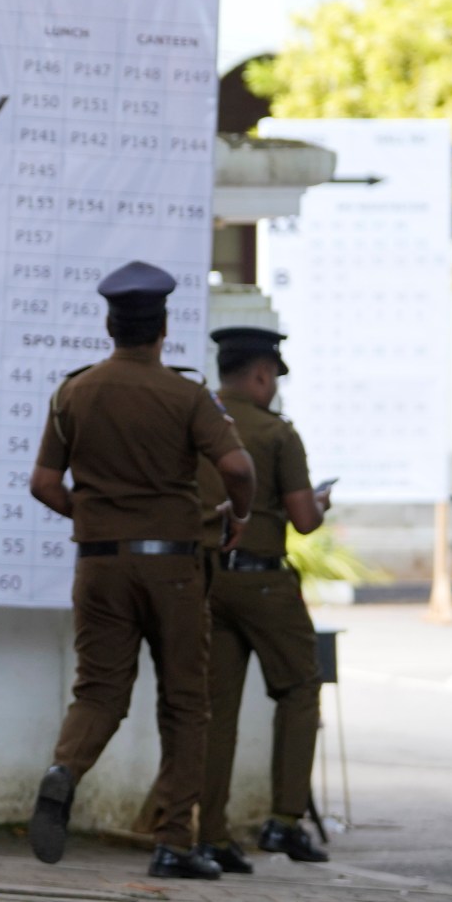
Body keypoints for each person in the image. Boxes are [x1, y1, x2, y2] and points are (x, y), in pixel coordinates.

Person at [26, 262, 253, 881]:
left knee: (99, 690)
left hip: (99, 566)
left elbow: (44, 483)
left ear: (109, 324)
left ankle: (64, 770)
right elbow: (236, 467)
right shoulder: (185, 396)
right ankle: (175, 841)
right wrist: (240, 514)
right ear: (163, 328)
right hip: (174, 568)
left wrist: (94, 515)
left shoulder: (73, 392)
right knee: (184, 701)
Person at [192, 327, 333, 874]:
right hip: (263, 583)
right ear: (260, 374)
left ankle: (210, 833)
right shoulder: (277, 433)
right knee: (300, 687)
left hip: (208, 578)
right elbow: (301, 519)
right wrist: (320, 503)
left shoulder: (199, 420)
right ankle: (284, 819)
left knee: (216, 708)